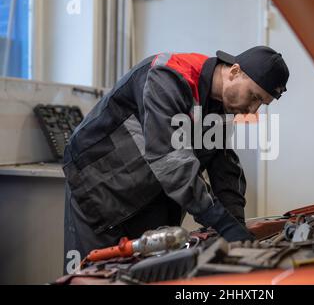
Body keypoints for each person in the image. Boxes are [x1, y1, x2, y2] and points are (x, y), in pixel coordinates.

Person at [63, 46, 290, 270]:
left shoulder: (221, 105)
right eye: (253, 96)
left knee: (152, 273)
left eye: (262, 104)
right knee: (98, 275)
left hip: (151, 192)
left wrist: (236, 228)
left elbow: (223, 167)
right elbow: (170, 162)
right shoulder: (167, 77)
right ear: (234, 72)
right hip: (99, 191)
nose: (252, 110)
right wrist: (221, 222)